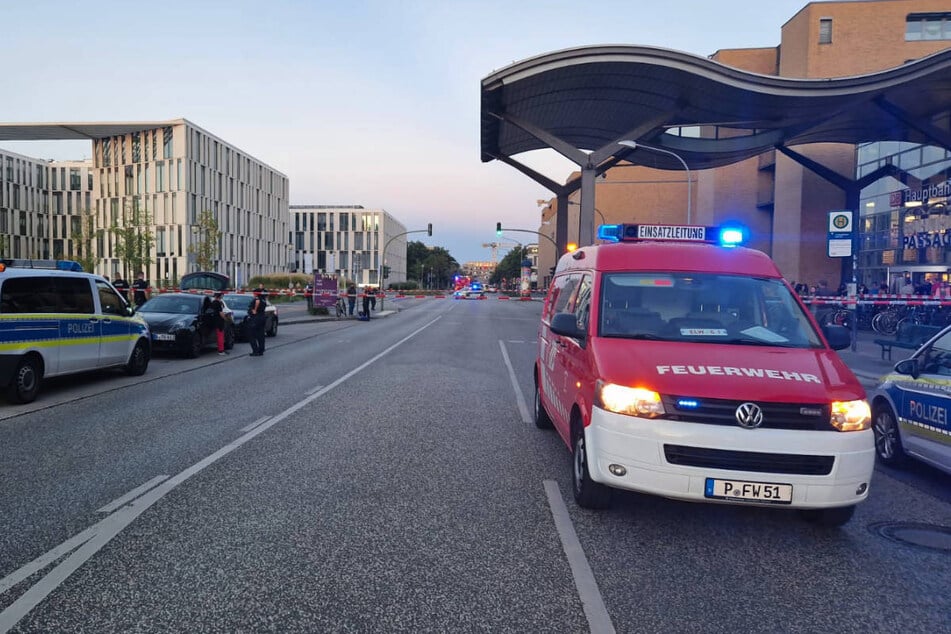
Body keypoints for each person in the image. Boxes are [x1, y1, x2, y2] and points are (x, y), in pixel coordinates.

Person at [248, 287, 268, 356]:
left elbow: (257, 302)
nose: (253, 294)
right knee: (261, 335)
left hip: (256, 319)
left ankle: (255, 351)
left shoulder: (257, 299)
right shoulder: (263, 300)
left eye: (254, 293)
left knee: (251, 335)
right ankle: (261, 350)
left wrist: (254, 310)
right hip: (262, 318)